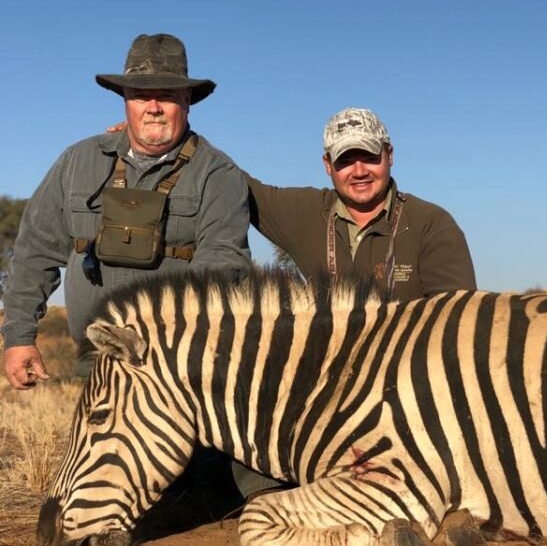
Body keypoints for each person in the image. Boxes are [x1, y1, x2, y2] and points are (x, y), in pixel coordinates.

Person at [2, 33, 252, 390]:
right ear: (124, 101)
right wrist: (19, 336)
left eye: (166, 95)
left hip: (176, 370)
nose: (153, 106)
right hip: (95, 365)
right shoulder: (78, 160)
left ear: (187, 100)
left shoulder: (218, 174)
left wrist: (153, 339)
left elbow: (222, 267)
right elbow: (33, 253)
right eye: (140, 95)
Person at [247, 107, 476, 298]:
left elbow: (459, 319)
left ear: (390, 155)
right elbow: (234, 182)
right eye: (345, 160)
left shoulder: (431, 224)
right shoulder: (305, 212)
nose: (359, 171)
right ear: (327, 164)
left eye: (370, 157)